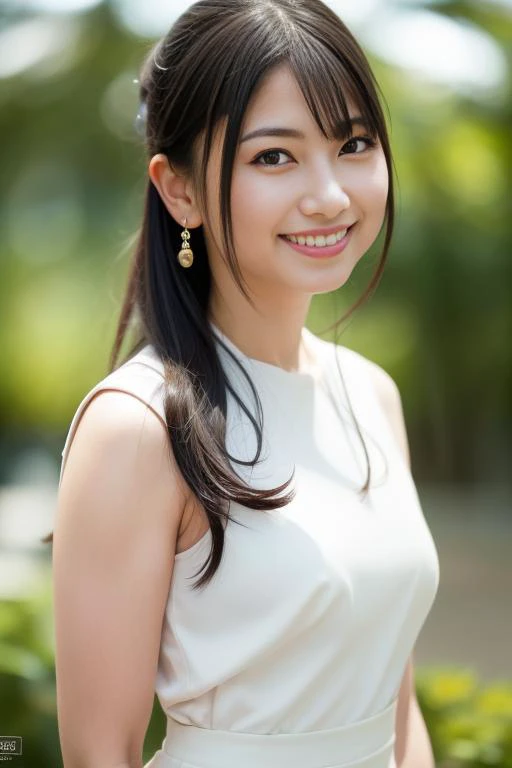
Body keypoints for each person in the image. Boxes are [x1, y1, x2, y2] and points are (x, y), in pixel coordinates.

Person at [50, 1, 440, 767]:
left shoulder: (373, 396)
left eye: (353, 143)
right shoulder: (139, 428)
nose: (329, 194)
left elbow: (397, 710)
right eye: (274, 157)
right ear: (180, 191)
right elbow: (101, 752)